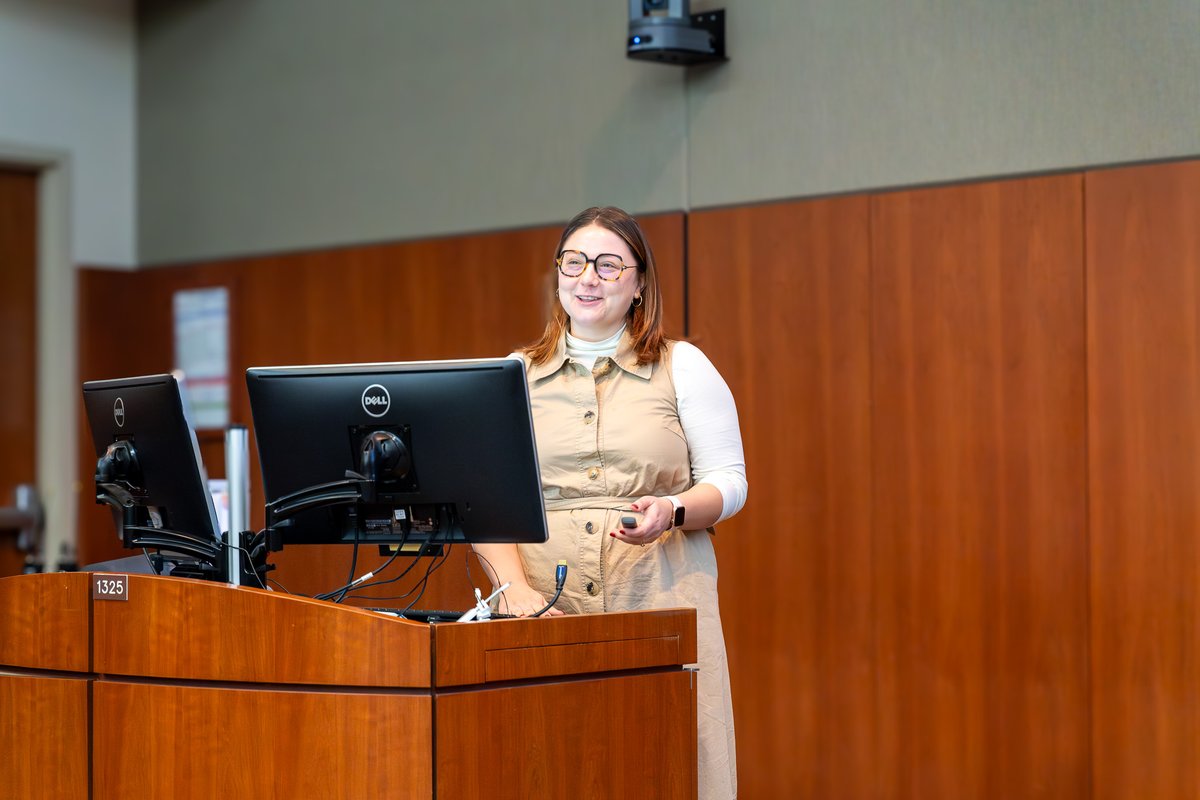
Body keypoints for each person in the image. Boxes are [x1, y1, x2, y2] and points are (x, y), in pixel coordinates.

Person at [474, 206, 747, 800]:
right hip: (542, 607)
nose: (588, 278)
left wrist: (672, 509)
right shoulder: (513, 373)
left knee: (668, 760)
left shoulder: (682, 365)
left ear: (639, 282)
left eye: (608, 264)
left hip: (659, 592)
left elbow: (729, 483)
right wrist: (514, 589)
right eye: (573, 262)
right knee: (548, 764)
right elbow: (483, 500)